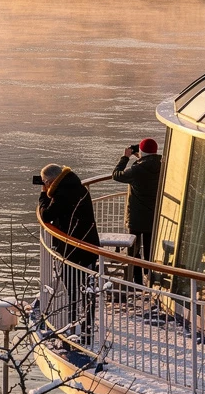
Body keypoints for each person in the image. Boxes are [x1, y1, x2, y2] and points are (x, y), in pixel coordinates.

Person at [38, 164, 100, 341]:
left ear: (50, 181)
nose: (45, 186)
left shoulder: (63, 193)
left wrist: (43, 195)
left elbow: (47, 215)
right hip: (87, 245)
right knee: (87, 288)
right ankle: (87, 328)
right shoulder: (74, 185)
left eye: (45, 183)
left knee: (73, 288)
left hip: (73, 250)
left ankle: (75, 327)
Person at [111, 138, 162, 283]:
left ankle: (137, 279)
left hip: (136, 217)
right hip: (153, 215)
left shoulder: (137, 169)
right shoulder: (161, 165)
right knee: (149, 249)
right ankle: (150, 276)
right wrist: (141, 157)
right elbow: (148, 165)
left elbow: (116, 175)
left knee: (133, 250)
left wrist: (125, 157)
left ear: (141, 152)